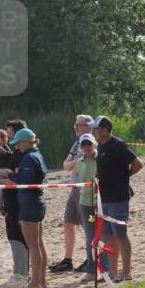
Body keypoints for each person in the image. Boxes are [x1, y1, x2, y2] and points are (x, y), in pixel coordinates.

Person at [89, 116, 143, 283]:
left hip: (118, 197)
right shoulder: (101, 146)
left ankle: (126, 272)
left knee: (121, 235)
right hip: (104, 197)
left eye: (96, 129)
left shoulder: (118, 145)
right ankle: (113, 272)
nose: (94, 131)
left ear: (105, 130)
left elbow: (138, 163)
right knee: (110, 236)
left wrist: (124, 177)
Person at [0, 128, 48, 288]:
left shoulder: (29, 157)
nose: (16, 146)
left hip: (29, 203)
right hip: (38, 201)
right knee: (38, 244)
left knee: (33, 245)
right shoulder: (38, 155)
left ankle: (35, 282)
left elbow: (25, 180)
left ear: (26, 142)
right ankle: (42, 281)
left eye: (18, 143)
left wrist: (9, 175)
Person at [51, 115, 93, 273]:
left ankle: (91, 258)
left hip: (86, 189)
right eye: (75, 124)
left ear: (88, 126)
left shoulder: (91, 143)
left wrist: (74, 165)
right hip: (74, 187)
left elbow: (83, 166)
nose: (75, 127)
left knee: (87, 225)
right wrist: (75, 163)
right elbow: (65, 165)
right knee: (68, 222)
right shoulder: (76, 144)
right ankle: (68, 260)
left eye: (78, 124)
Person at [0, 121, 28, 285]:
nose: (8, 137)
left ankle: (22, 274)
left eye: (10, 133)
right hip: (9, 203)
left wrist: (1, 180)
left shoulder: (22, 156)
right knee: (14, 238)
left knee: (19, 239)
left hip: (17, 203)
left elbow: (15, 180)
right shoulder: (13, 154)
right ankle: (19, 272)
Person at [74, 133, 107, 283]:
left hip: (101, 202)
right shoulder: (79, 162)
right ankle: (91, 271)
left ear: (94, 144)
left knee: (104, 236)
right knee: (90, 238)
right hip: (85, 204)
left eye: (89, 144)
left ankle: (106, 270)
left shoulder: (101, 158)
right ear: (80, 147)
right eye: (84, 144)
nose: (87, 147)